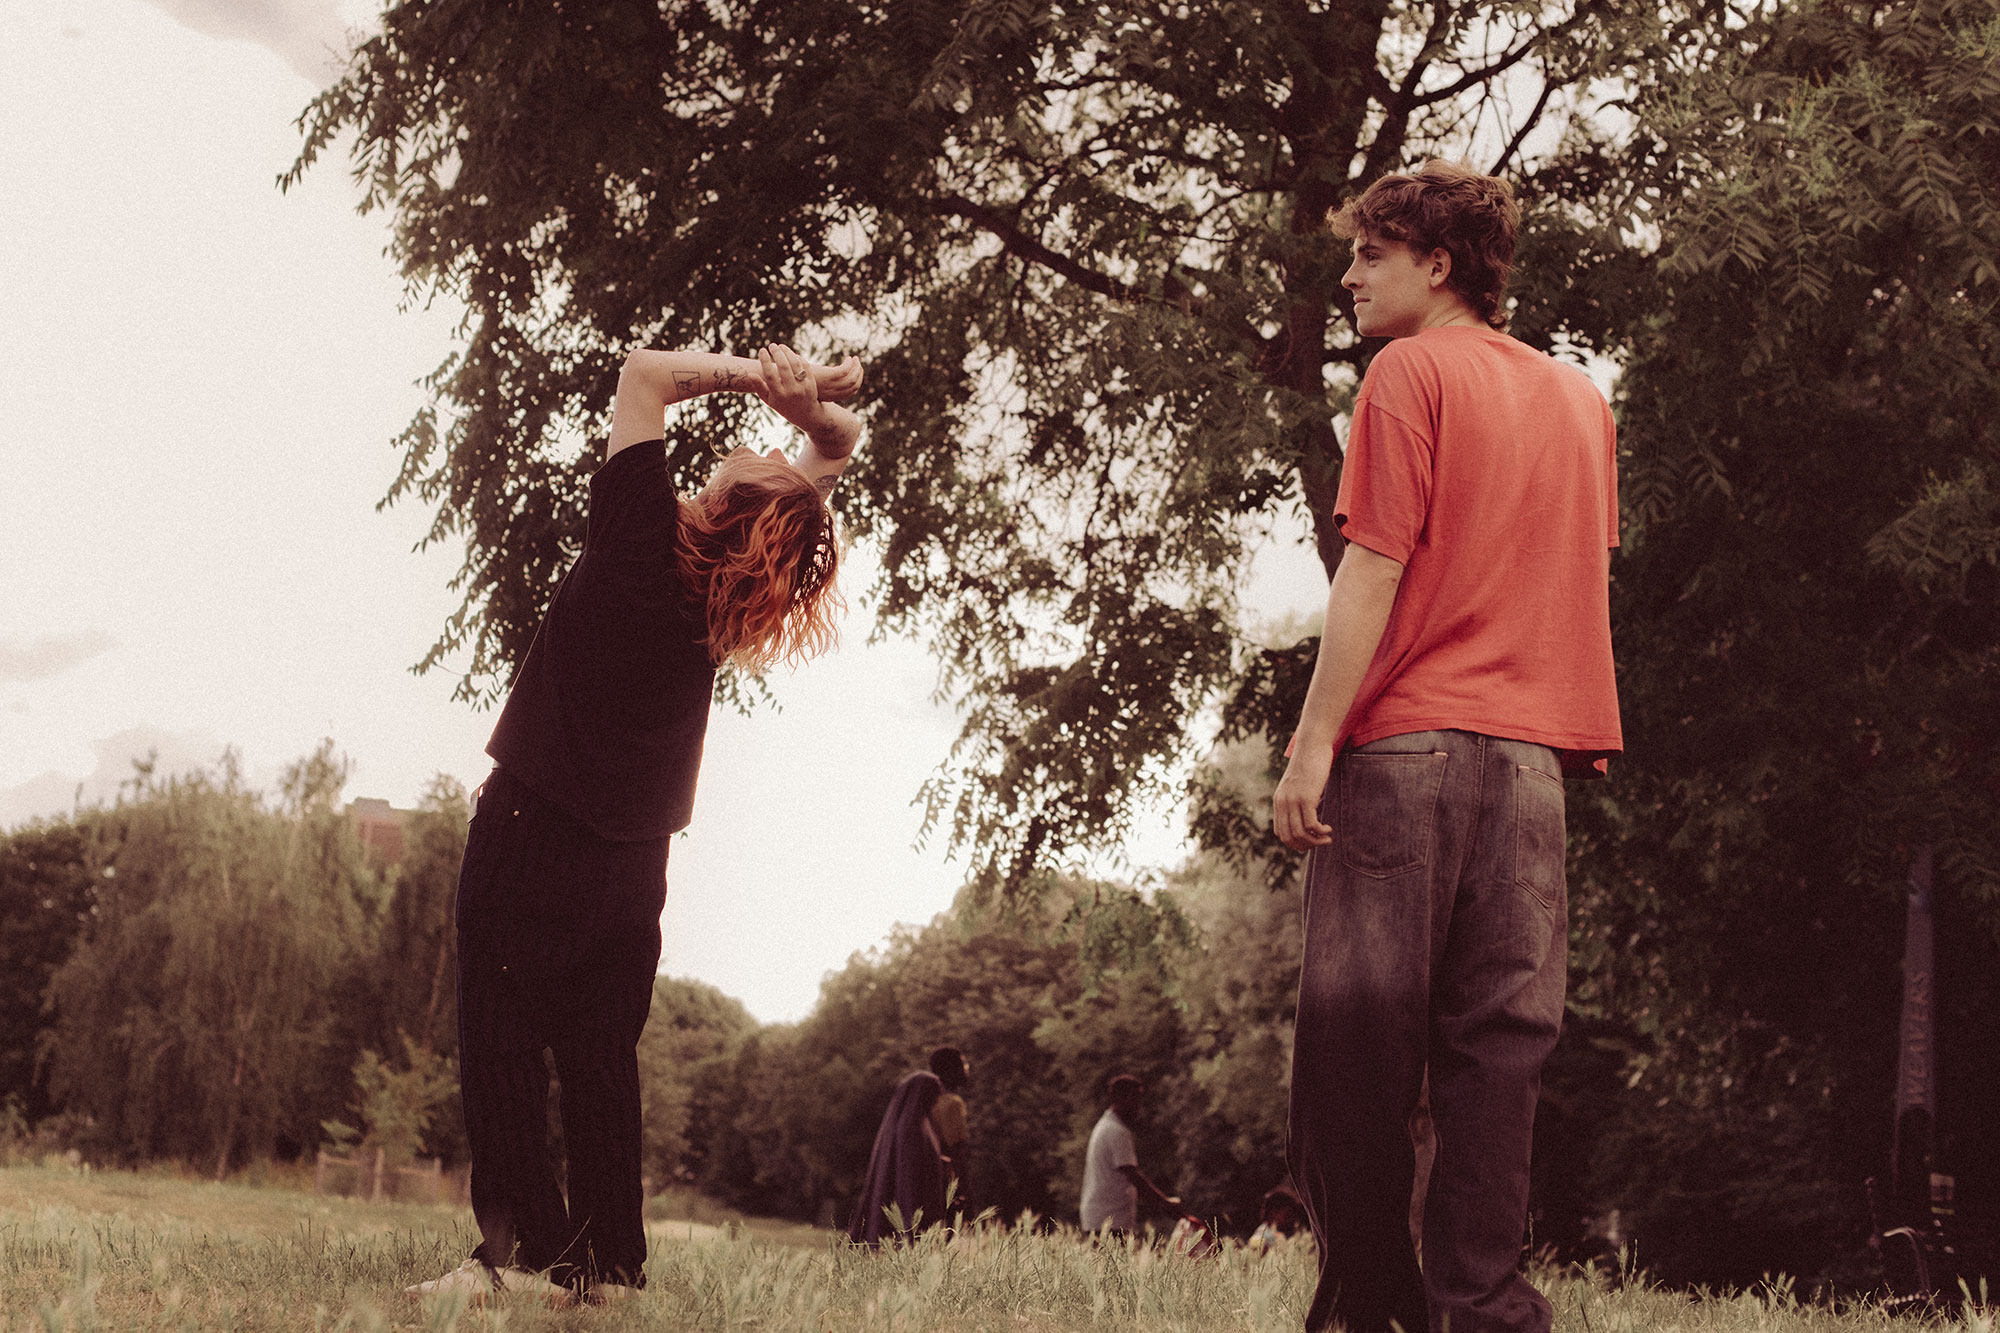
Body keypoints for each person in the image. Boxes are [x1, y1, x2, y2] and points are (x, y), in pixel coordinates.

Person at [409, 341, 866, 1304]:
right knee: (600, 1060)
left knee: (501, 1044)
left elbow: (643, 374)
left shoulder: (638, 538)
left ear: (728, 506)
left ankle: (522, 1260)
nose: (762, 450)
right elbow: (841, 444)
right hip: (631, 864)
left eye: (762, 459)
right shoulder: (720, 603)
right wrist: (811, 407)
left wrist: (764, 380)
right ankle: (611, 1272)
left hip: (531, 829)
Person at [1273, 160, 1621, 1333]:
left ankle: (1369, 1311)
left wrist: (1311, 744)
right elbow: (1567, 574)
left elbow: (1371, 568)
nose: (1347, 276)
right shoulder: (1581, 402)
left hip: (1404, 757)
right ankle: (1482, 1308)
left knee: (1353, 1055)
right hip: (1530, 773)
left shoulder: (1407, 372)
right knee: (1497, 1057)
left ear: (1437, 264)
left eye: (1369, 254)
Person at [848, 1070, 949, 1247]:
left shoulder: (917, 1125)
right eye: (934, 1095)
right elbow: (908, 1177)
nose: (937, 1101)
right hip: (915, 1205)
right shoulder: (911, 1129)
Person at [1078, 1074, 1180, 1237]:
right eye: (1135, 1099)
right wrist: (1164, 1203)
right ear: (1120, 1099)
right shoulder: (1116, 1131)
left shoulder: (1106, 1126)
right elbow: (1133, 1175)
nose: (1138, 1106)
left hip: (1101, 1217)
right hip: (1109, 1219)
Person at [928, 1046, 971, 1209]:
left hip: (932, 1179)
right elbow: (957, 1150)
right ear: (950, 1070)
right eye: (963, 1064)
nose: (967, 1068)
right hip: (948, 1181)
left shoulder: (930, 1101)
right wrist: (965, 1190)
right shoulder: (952, 1103)